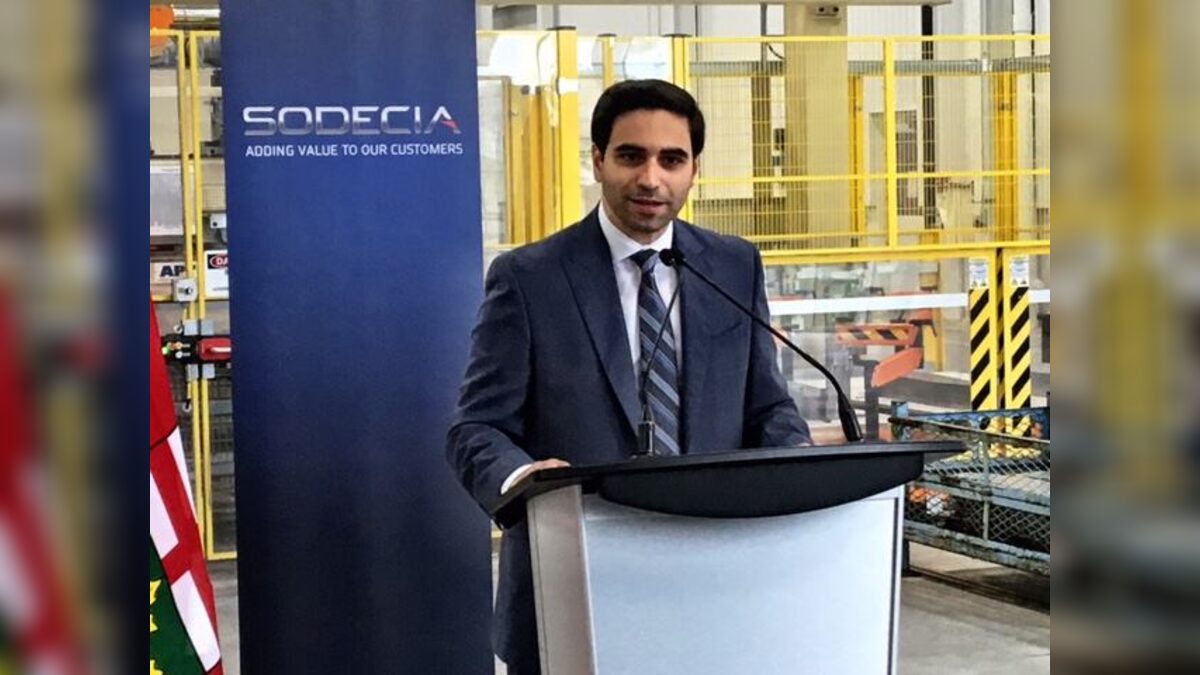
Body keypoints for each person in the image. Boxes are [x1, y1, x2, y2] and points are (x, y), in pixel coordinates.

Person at [446, 79, 811, 674]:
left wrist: (797, 469)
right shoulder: (529, 278)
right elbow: (476, 429)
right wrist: (523, 481)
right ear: (598, 160)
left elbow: (767, 408)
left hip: (715, 585)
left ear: (694, 170)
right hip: (571, 590)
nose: (651, 179)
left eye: (672, 159)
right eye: (631, 156)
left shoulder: (732, 265)